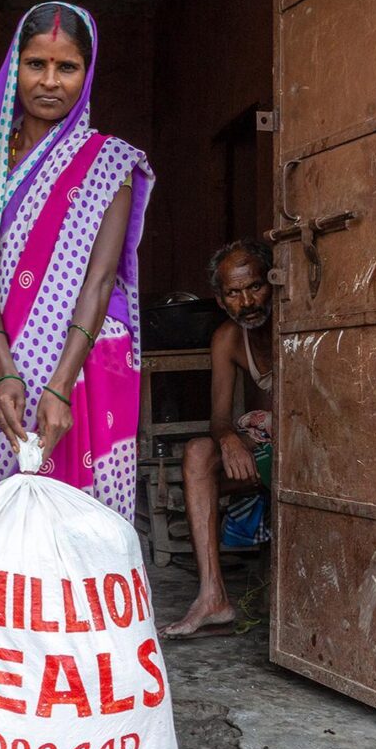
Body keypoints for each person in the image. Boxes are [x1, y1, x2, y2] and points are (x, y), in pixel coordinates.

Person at [0, 1, 154, 520]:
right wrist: (6, 372)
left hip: (85, 363)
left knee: (82, 522)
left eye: (67, 67)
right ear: (14, 67)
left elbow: (100, 280)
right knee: (9, 519)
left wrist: (60, 386)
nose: (50, 81)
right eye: (35, 64)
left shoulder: (109, 162)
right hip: (4, 358)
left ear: (86, 75)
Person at [160, 241, 274, 638]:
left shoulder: (295, 324)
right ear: (221, 300)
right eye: (234, 293)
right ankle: (213, 597)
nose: (247, 301)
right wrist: (228, 437)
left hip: (308, 454)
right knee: (198, 453)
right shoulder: (228, 338)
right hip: (268, 456)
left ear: (273, 283)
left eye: (255, 287)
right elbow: (220, 418)